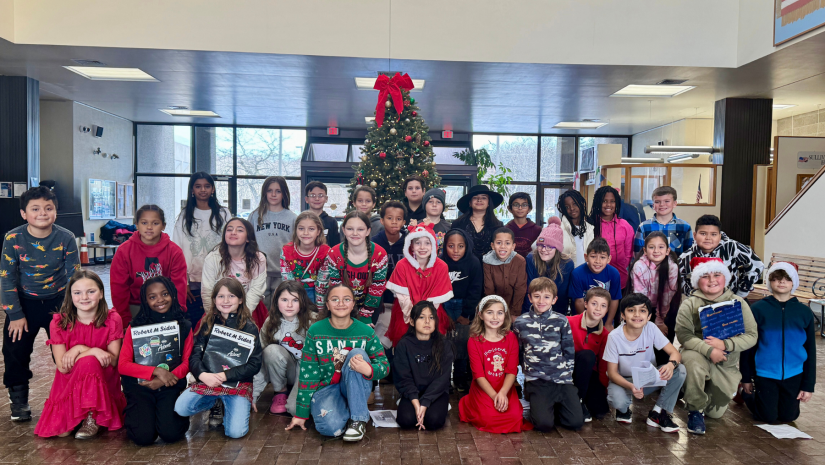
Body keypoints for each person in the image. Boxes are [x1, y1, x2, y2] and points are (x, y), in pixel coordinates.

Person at [1, 186, 81, 422]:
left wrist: (72, 311)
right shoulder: (13, 238)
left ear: (55, 211)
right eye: (35, 209)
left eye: (49, 208)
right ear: (24, 214)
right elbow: (7, 277)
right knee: (15, 351)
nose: (43, 213)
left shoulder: (66, 237)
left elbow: (74, 278)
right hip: (23, 303)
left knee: (67, 352)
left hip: (58, 303)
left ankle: (72, 398)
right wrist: (15, 314)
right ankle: (18, 401)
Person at [286, 284, 389, 441]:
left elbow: (385, 366)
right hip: (327, 388)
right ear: (327, 304)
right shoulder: (316, 331)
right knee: (330, 429)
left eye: (346, 299)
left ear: (353, 303)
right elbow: (308, 373)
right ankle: (346, 409)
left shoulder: (365, 332)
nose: (341, 303)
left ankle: (358, 420)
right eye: (335, 299)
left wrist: (368, 370)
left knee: (356, 353)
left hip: (356, 384)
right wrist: (301, 414)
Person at [33, 270, 125, 439]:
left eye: (91, 291)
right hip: (70, 382)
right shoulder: (59, 323)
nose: (84, 297)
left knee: (89, 361)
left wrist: (87, 353)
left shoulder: (113, 319)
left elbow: (112, 361)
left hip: (103, 380)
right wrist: (82, 348)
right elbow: (62, 365)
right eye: (77, 293)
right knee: (62, 433)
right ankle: (76, 412)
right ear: (71, 296)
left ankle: (92, 415)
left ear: (101, 293)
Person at [676, 257, 757, 435]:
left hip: (725, 362)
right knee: (693, 363)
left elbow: (751, 336)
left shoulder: (740, 303)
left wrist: (725, 344)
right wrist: (710, 350)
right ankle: (694, 409)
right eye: (705, 276)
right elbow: (683, 334)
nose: (712, 280)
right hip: (697, 354)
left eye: (717, 274)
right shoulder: (689, 304)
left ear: (725, 278)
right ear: (697, 281)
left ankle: (694, 388)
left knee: (715, 413)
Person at [174, 278, 263, 439]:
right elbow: (195, 356)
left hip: (237, 384)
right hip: (208, 380)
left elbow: (254, 364)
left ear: (241, 299)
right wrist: (202, 375)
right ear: (214, 300)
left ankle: (230, 406)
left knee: (235, 433)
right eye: (221, 296)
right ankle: (214, 401)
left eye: (231, 296)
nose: (226, 301)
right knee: (181, 407)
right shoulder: (207, 323)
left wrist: (225, 376)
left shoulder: (250, 327)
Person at [118, 276, 193, 445]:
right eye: (152, 297)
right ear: (145, 301)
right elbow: (123, 366)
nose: (160, 300)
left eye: (164, 294)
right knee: (142, 437)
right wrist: (156, 372)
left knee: (171, 434)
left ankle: (169, 415)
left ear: (173, 295)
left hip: (169, 385)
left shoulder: (184, 326)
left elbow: (187, 363)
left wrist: (164, 380)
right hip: (141, 387)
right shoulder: (135, 327)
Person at [740, 262, 816, 423]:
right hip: (765, 373)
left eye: (787, 279)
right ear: (769, 282)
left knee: (789, 417)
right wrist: (746, 378)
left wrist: (808, 386)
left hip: (794, 373)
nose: (781, 282)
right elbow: (748, 347)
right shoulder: (758, 309)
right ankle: (748, 396)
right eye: (776, 278)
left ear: (793, 282)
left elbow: (811, 350)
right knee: (767, 417)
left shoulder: (804, 312)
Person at [603, 293, 684, 433]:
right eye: (631, 310)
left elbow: (675, 353)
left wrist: (671, 365)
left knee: (680, 370)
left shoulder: (651, 328)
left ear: (649, 316)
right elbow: (611, 373)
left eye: (642, 310)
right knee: (618, 401)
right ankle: (624, 409)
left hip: (647, 378)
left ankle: (658, 413)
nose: (636, 315)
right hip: (624, 381)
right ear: (622, 315)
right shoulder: (614, 337)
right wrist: (631, 386)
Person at [513, 278, 583, 432]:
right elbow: (517, 351)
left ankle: (555, 407)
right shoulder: (520, 323)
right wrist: (522, 374)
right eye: (536, 296)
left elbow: (568, 350)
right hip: (536, 380)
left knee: (576, 422)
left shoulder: (561, 321)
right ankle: (542, 408)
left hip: (561, 379)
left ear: (554, 300)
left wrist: (568, 375)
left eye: (546, 297)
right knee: (543, 425)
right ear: (530, 297)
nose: (541, 301)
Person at [110, 205, 188, 327]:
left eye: (155, 223)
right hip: (134, 306)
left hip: (164, 306)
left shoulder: (174, 252)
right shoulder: (124, 251)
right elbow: (118, 288)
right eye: (144, 222)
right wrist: (125, 319)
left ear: (164, 226)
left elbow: (179, 287)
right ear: (136, 225)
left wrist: (178, 315)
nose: (149, 227)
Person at [459, 296, 526, 434]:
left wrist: (502, 393)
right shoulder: (474, 341)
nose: (495, 317)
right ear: (480, 315)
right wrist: (495, 396)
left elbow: (511, 371)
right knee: (487, 419)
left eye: (500, 313)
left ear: (505, 315)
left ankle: (501, 400)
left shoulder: (511, 337)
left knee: (515, 418)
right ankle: (468, 403)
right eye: (489, 312)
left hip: (504, 386)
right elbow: (478, 375)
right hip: (484, 388)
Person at [172, 172, 230, 329]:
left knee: (221, 318)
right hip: (193, 279)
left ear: (213, 189)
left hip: (219, 275)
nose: (202, 190)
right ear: (192, 190)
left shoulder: (224, 214)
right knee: (198, 321)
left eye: (207, 186)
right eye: (198, 186)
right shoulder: (185, 215)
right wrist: (184, 281)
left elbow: (231, 244)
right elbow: (177, 248)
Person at [385, 223, 454, 347]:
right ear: (411, 245)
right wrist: (414, 317)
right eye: (418, 243)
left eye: (427, 243)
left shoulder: (441, 266)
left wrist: (425, 317)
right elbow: (402, 296)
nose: (422, 247)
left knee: (431, 346)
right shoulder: (402, 265)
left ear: (433, 245)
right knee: (406, 345)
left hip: (432, 312)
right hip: (406, 312)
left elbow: (437, 297)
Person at [316, 211, 388, 325]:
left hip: (370, 304)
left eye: (360, 229)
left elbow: (377, 287)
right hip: (342, 303)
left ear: (368, 231)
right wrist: (345, 314)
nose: (355, 233)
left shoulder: (380, 254)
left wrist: (365, 315)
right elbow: (336, 287)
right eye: (350, 229)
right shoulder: (334, 253)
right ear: (343, 230)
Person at [253, 281, 313, 415]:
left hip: (307, 373)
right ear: (276, 301)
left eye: (295, 300)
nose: (289, 305)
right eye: (284, 299)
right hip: (286, 371)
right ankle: (280, 392)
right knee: (270, 350)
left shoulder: (313, 321)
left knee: (295, 410)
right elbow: (259, 360)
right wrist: (254, 393)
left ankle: (300, 394)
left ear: (302, 301)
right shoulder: (271, 323)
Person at [394, 301, 454, 431]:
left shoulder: (444, 344)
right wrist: (416, 403)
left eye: (431, 317)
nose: (427, 321)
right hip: (412, 391)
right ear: (412, 321)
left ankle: (442, 405)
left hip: (436, 392)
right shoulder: (404, 344)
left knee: (433, 421)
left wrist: (425, 403)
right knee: (406, 420)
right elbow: (403, 377)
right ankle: (406, 402)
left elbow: (442, 379)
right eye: (421, 317)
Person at [678, 214, 764, 297]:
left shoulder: (732, 247)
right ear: (694, 235)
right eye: (703, 233)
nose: (708, 238)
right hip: (700, 302)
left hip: (731, 298)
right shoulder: (687, 256)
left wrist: (742, 291)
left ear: (720, 236)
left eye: (713, 234)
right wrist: (691, 293)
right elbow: (677, 276)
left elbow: (757, 265)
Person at [440, 229, 483, 392]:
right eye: (451, 246)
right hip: (444, 305)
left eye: (460, 246)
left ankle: (459, 378)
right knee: (444, 343)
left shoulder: (473, 262)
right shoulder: (440, 262)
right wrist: (443, 315)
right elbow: (436, 291)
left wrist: (466, 314)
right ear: (445, 246)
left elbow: (475, 289)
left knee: (463, 343)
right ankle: (444, 380)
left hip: (465, 306)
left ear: (467, 246)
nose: (456, 250)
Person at [200, 218, 267, 318]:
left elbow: (256, 291)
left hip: (248, 307)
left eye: (240, 230)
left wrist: (242, 316)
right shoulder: (212, 258)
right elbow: (207, 291)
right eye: (229, 230)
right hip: (218, 309)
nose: (233, 233)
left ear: (248, 238)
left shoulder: (258, 258)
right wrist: (215, 317)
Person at [248, 176, 298, 300]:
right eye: (270, 190)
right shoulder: (255, 216)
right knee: (260, 313)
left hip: (284, 274)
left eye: (278, 191)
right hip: (259, 273)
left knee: (279, 312)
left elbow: (296, 246)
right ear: (264, 193)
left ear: (284, 194)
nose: (273, 194)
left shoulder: (292, 218)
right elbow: (247, 243)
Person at [567, 288, 612, 422]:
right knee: (588, 355)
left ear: (607, 309)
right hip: (568, 370)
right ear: (585, 304)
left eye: (603, 306)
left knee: (600, 410)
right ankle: (578, 400)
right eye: (594, 303)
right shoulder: (568, 322)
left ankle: (585, 398)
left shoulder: (605, 335)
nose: (598, 309)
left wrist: (603, 388)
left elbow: (603, 365)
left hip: (587, 374)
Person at [628, 232, 680, 340]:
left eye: (661, 247)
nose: (656, 251)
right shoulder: (639, 266)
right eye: (651, 247)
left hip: (666, 308)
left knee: (663, 337)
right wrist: (644, 320)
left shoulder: (672, 267)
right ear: (645, 251)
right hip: (643, 307)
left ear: (667, 251)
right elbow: (640, 297)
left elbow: (667, 297)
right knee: (643, 336)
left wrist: (660, 321)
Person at [371, 201, 408, 348]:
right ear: (381, 220)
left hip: (402, 301)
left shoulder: (409, 243)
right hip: (380, 302)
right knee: (380, 341)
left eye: (398, 219)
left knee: (400, 340)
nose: (394, 222)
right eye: (389, 218)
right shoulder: (374, 243)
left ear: (404, 222)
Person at [523, 218, 574, 315]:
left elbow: (562, 295)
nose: (543, 250)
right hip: (533, 307)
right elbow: (528, 290)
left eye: (549, 247)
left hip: (557, 310)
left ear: (558, 248)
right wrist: (527, 316)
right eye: (541, 245)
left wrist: (558, 319)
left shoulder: (567, 263)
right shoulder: (531, 259)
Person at [569, 238, 622, 329]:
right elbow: (579, 301)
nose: (598, 261)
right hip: (582, 316)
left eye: (602, 257)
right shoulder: (577, 274)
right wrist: (584, 322)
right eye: (593, 256)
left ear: (609, 259)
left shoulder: (614, 273)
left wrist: (608, 323)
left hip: (604, 318)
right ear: (586, 257)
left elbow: (614, 299)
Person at [588, 186, 634, 289]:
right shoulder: (590, 224)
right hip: (594, 279)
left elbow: (628, 254)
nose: (608, 205)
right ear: (598, 202)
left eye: (612, 201)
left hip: (619, 279)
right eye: (604, 201)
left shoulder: (625, 226)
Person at [280, 211, 330, 303]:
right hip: (294, 293)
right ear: (296, 230)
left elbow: (322, 285)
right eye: (301, 228)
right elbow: (288, 283)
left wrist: (320, 310)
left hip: (317, 292)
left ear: (318, 231)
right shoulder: (286, 251)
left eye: (311, 229)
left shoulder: (326, 251)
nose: (306, 233)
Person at [451, 185, 504, 263]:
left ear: (489, 202)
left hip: (490, 268)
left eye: (484, 198)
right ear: (470, 203)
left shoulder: (498, 226)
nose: (479, 200)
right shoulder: (458, 224)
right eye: (475, 198)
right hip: (464, 267)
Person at [633, 186, 693, 256]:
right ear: (653, 205)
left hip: (678, 266)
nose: (662, 204)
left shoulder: (685, 227)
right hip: (650, 266)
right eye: (657, 202)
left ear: (674, 203)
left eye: (667, 201)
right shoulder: (644, 227)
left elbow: (689, 253)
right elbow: (638, 254)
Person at [483, 227, 527, 318]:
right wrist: (494, 311)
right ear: (492, 245)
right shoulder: (487, 261)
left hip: (514, 307)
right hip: (494, 307)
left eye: (507, 243)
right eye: (499, 243)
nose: (503, 246)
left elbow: (520, 288)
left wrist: (515, 313)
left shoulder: (520, 261)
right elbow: (489, 288)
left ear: (513, 246)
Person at [557, 189, 594, 267]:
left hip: (585, 273)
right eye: (567, 207)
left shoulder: (590, 228)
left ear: (581, 204)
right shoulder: (558, 228)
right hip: (566, 274)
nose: (572, 208)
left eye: (575, 204)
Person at [505, 192, 542, 258]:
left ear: (529, 209)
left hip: (531, 266)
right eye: (516, 205)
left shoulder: (537, 230)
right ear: (510, 209)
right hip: (510, 266)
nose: (520, 208)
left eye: (524, 205)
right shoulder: (505, 230)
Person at [304, 181, 340, 247]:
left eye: (320, 195)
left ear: (326, 199)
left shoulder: (332, 222)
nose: (317, 199)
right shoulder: (301, 220)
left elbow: (335, 246)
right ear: (306, 199)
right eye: (312, 195)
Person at [421, 188, 451, 254]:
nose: (434, 205)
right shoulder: (417, 226)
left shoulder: (449, 228)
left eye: (438, 202)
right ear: (424, 205)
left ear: (443, 206)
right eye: (430, 201)